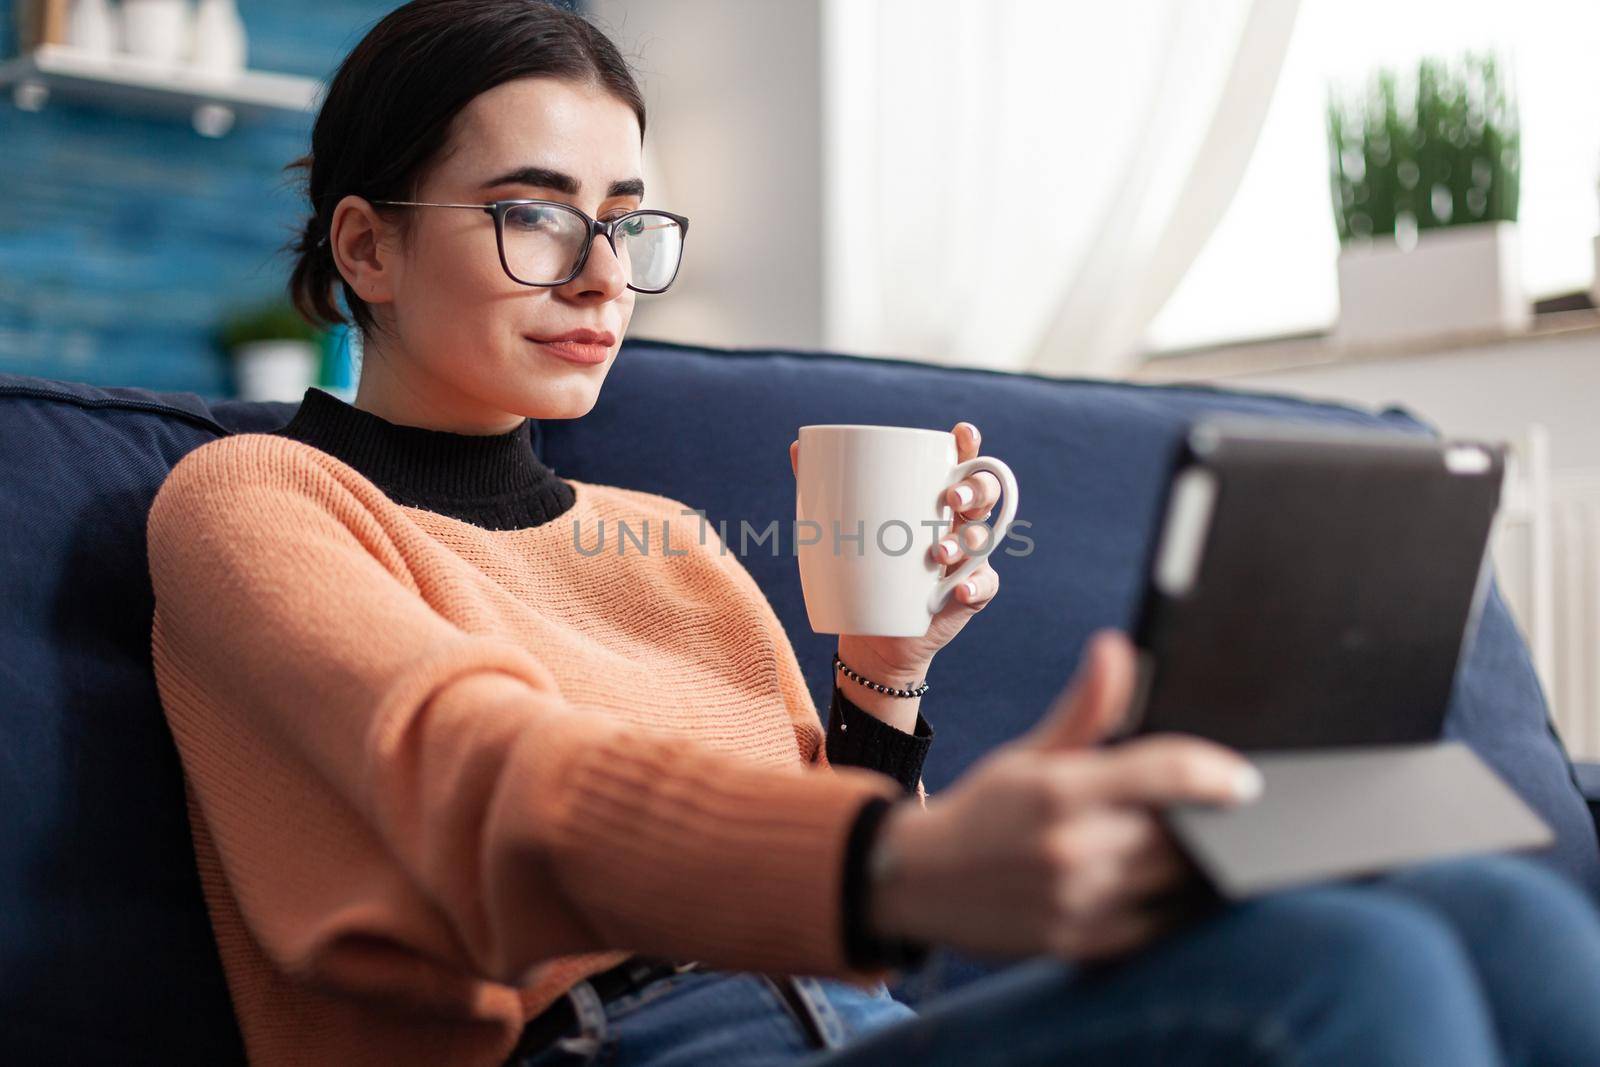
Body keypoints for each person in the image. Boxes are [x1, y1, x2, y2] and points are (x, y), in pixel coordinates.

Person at [144, 2, 1600, 1065]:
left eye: (630, 223)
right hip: (618, 1051)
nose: (602, 276)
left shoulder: (659, 538)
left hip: (857, 1027)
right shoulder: (259, 503)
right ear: (366, 247)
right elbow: (485, 783)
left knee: (1496, 913)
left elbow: (835, 873)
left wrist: (886, 673)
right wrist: (897, 873)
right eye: (533, 216)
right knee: (1339, 970)